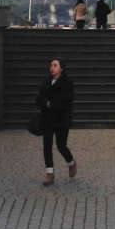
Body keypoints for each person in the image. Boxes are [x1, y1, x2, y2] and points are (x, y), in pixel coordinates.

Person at [36, 56, 76, 186]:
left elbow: (65, 101)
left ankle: (71, 162)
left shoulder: (67, 83)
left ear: (61, 68)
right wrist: (45, 103)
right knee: (47, 145)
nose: (51, 68)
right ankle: (50, 173)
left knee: (61, 146)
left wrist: (50, 104)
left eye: (55, 65)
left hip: (61, 120)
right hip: (47, 119)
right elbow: (39, 98)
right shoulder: (46, 81)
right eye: (51, 65)